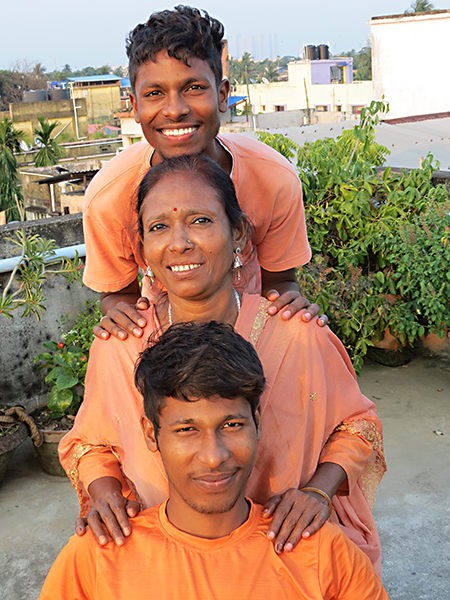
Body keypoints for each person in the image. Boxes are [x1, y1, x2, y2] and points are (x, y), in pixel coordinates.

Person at [60, 154, 385, 572]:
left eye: (200, 221)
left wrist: (318, 493)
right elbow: (90, 444)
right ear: (141, 250)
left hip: (284, 551)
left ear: (239, 234)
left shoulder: (295, 334)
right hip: (166, 561)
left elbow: (357, 425)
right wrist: (105, 493)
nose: (179, 243)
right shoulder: (121, 345)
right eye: (159, 227)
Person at [42, 322, 388, 600]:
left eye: (232, 425)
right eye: (186, 430)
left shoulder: (321, 552)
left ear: (257, 423)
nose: (214, 457)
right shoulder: (98, 554)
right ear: (151, 433)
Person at [82, 5, 325, 342]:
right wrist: (122, 321)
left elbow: (280, 282)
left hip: (253, 343)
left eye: (194, 88)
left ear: (222, 95)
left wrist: (293, 316)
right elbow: (118, 295)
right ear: (135, 106)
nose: (175, 110)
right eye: (154, 94)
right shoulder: (108, 199)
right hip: (164, 347)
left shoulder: (273, 180)